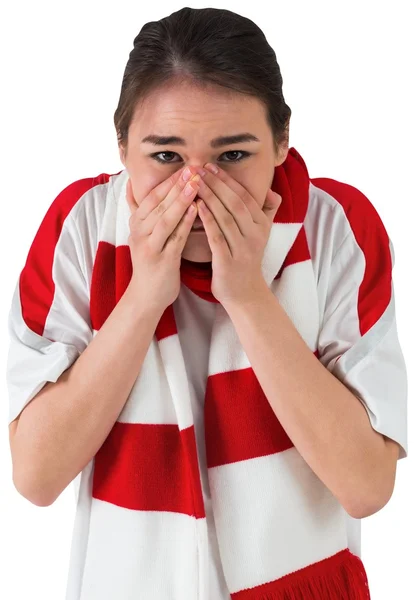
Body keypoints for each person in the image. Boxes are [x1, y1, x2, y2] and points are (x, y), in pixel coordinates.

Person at [6, 7, 407, 600]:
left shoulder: (336, 228)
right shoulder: (81, 227)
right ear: (121, 146)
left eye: (233, 156)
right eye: (165, 157)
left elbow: (367, 486)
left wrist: (247, 295)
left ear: (281, 141)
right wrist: (143, 296)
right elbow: (35, 476)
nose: (197, 190)